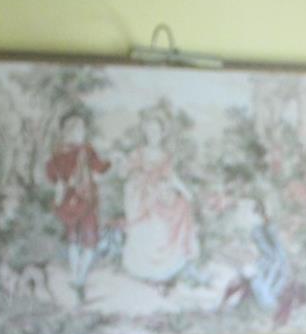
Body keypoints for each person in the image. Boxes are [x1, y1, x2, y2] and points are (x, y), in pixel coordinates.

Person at [120, 113, 200, 286]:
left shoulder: (165, 155)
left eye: (156, 131)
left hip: (160, 193)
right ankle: (144, 271)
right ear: (145, 132)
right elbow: (125, 173)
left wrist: (185, 191)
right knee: (147, 231)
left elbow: (171, 176)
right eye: (150, 130)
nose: (153, 134)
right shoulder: (138, 153)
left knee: (177, 210)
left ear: (162, 133)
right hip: (141, 197)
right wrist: (136, 180)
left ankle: (162, 272)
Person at [45, 112, 109, 302]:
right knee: (73, 241)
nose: (78, 133)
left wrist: (107, 166)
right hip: (70, 203)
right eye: (73, 129)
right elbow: (52, 174)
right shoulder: (59, 154)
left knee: (90, 242)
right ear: (65, 132)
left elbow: (99, 168)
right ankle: (76, 277)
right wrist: (61, 184)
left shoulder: (87, 151)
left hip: (87, 202)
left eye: (81, 129)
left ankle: (79, 278)